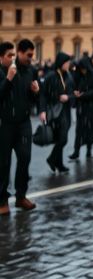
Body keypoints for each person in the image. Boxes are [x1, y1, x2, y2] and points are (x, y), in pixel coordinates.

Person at [0, 39, 39, 214]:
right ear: (1, 58)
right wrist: (8, 79)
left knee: (25, 158)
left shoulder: (29, 71)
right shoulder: (4, 73)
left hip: (23, 123)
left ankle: (21, 196)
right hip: (4, 124)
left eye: (14, 55)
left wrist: (35, 92)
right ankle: (2, 201)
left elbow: (32, 101)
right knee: (3, 164)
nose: (12, 58)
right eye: (9, 56)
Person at [38, 52, 74, 174]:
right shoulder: (51, 76)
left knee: (61, 138)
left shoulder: (69, 76)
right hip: (55, 111)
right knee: (62, 139)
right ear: (61, 63)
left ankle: (57, 162)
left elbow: (72, 93)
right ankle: (52, 160)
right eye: (66, 62)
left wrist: (68, 97)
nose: (68, 64)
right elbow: (43, 94)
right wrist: (42, 111)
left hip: (66, 111)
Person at [68, 56, 93, 159]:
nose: (83, 71)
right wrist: (75, 92)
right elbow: (73, 86)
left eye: (84, 68)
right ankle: (76, 151)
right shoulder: (77, 75)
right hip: (81, 106)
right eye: (81, 69)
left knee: (90, 129)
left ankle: (89, 151)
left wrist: (83, 95)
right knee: (79, 130)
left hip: (91, 106)